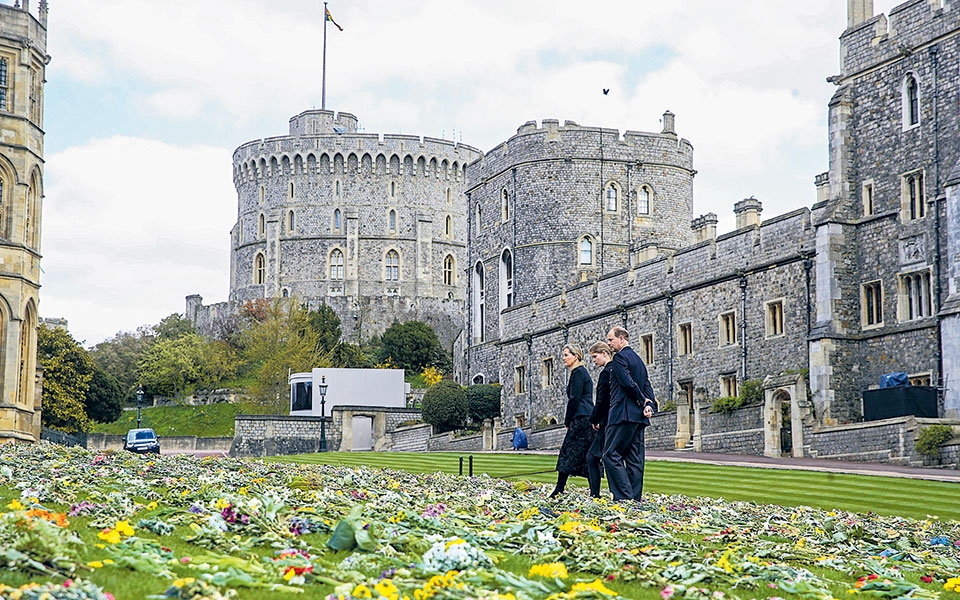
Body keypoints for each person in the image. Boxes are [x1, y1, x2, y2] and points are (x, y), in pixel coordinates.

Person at [602, 326, 656, 502]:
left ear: (622, 338)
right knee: (634, 459)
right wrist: (649, 404)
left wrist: (643, 401)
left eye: (611, 340)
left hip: (622, 414)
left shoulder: (619, 358)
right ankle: (634, 499)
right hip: (638, 417)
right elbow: (646, 386)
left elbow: (627, 383)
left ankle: (624, 498)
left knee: (611, 454)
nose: (609, 343)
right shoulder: (639, 360)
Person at [549, 343, 596, 498]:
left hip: (581, 418)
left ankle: (559, 488)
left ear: (576, 356)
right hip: (586, 417)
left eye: (566, 355)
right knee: (586, 454)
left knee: (568, 452)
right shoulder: (580, 372)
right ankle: (593, 492)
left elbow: (574, 399)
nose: (563, 358)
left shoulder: (578, 373)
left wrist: (567, 421)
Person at [586, 341, 614, 498]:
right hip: (613, 420)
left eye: (595, 357)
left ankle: (596, 494)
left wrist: (594, 419)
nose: (594, 361)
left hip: (605, 422)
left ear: (605, 353)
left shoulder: (606, 373)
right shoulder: (616, 370)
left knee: (593, 457)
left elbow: (602, 400)